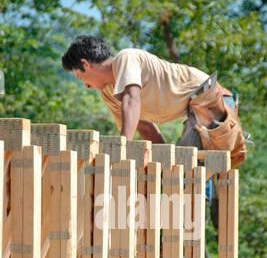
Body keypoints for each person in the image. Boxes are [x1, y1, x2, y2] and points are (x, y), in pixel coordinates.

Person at [61, 35, 245, 164]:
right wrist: (165, 161)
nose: (85, 85)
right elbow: (145, 127)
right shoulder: (109, 94)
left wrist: (122, 146)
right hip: (194, 110)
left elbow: (132, 98)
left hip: (208, 97)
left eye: (80, 76)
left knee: (189, 168)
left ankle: (211, 196)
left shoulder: (126, 58)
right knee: (183, 171)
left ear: (85, 64)